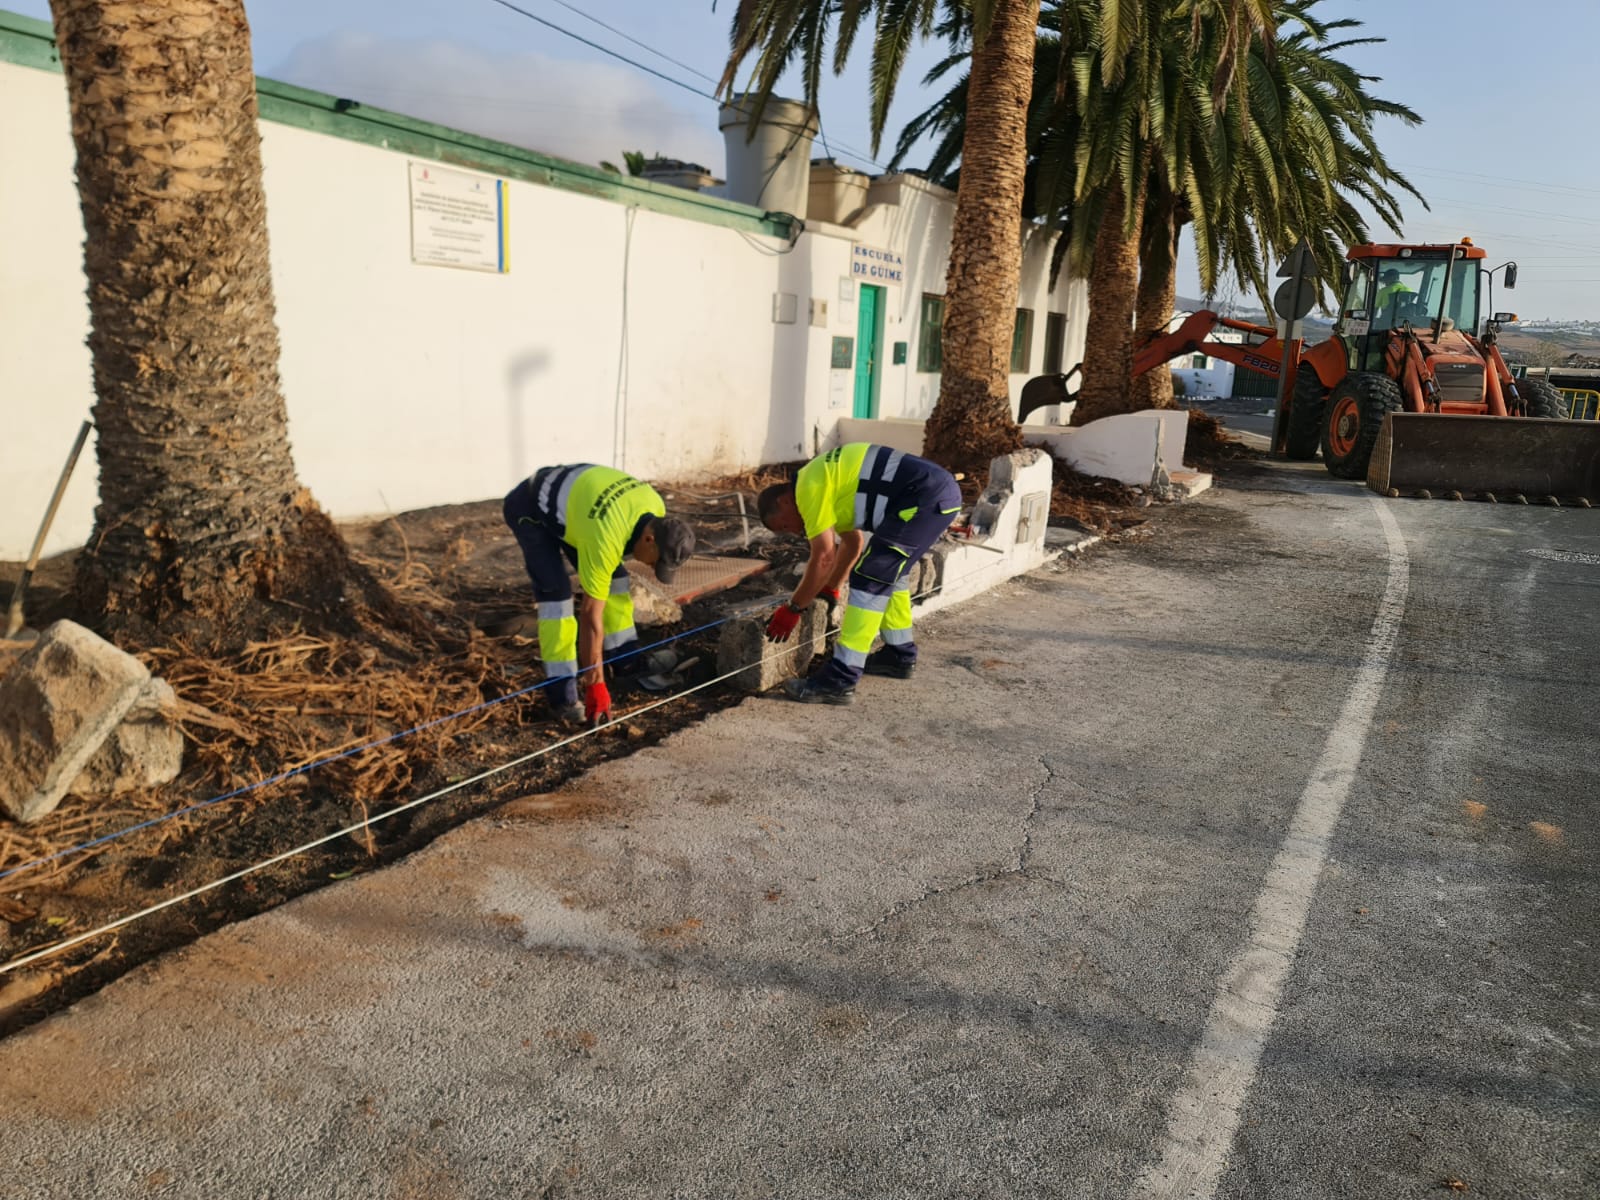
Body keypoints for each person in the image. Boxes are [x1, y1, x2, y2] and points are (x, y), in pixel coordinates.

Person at [757, 444, 962, 705]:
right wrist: (832, 587)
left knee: (871, 576)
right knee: (891, 573)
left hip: (924, 495)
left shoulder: (808, 488)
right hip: (933, 493)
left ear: (783, 501)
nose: (793, 532)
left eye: (784, 525)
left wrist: (793, 608)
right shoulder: (826, 484)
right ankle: (899, 655)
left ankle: (840, 679)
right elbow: (853, 543)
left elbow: (823, 557)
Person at [503, 465, 695, 725]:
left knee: (616, 582)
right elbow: (591, 616)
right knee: (556, 599)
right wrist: (596, 685)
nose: (652, 568)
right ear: (649, 539)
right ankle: (562, 695)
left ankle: (625, 661)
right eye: (656, 562)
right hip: (531, 507)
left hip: (580, 510)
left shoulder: (655, 508)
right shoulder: (605, 536)